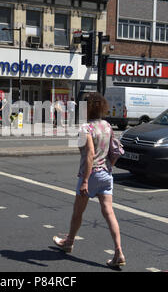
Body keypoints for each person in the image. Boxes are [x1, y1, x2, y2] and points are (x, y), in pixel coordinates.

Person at [52, 92, 126, 268]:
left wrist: (85, 180)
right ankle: (118, 252)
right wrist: (109, 166)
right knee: (109, 213)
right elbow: (115, 150)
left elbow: (89, 154)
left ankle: (68, 242)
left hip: (91, 174)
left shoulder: (86, 128)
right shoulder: (107, 126)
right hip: (106, 174)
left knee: (78, 212)